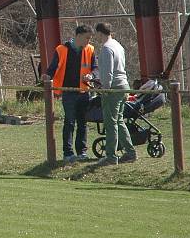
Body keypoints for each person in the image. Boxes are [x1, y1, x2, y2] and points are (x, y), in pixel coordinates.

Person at [42, 25, 97, 163]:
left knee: (82, 123)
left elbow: (95, 68)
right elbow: (52, 68)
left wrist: (92, 75)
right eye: (87, 38)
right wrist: (47, 76)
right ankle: (68, 153)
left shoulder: (90, 50)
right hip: (68, 92)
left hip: (84, 91)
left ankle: (82, 152)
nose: (88, 41)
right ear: (78, 36)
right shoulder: (61, 49)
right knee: (70, 122)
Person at [94, 23, 136, 165]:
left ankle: (111, 156)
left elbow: (107, 72)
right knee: (119, 121)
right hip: (124, 86)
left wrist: (104, 89)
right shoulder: (118, 45)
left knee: (110, 122)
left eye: (97, 34)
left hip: (113, 89)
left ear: (100, 33)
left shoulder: (106, 48)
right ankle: (130, 153)